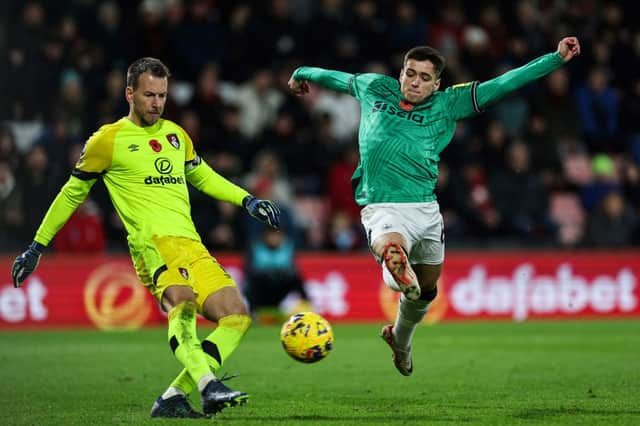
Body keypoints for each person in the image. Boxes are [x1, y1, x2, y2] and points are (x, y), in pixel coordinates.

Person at [288, 37, 581, 376]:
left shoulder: (449, 103)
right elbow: (334, 77)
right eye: (410, 73)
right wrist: (301, 72)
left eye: (424, 78)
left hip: (426, 210)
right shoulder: (375, 88)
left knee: (426, 291)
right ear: (400, 73)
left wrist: (555, 59)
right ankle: (394, 266)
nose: (414, 82)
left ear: (437, 83)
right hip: (382, 204)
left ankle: (400, 340)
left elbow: (505, 83)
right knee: (391, 248)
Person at [11, 58, 281, 418]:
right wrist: (37, 246)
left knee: (236, 316)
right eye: (149, 95)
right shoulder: (107, 140)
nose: (157, 103)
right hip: (152, 245)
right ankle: (207, 384)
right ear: (130, 94)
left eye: (162, 95)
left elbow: (203, 176)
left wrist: (246, 199)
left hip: (191, 243)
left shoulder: (175, 135)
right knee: (181, 303)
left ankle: (174, 396)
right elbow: (71, 194)